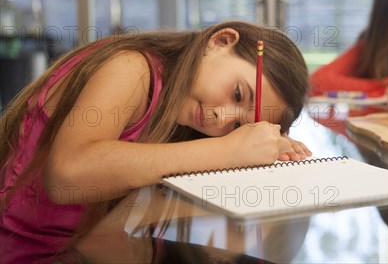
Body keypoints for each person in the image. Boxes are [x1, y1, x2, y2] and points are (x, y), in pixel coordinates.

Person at [0, 21, 312, 262]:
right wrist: (228, 149)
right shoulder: (131, 68)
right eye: (239, 94)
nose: (222, 117)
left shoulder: (183, 115)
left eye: (238, 125)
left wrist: (259, 146)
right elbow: (68, 173)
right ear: (220, 42)